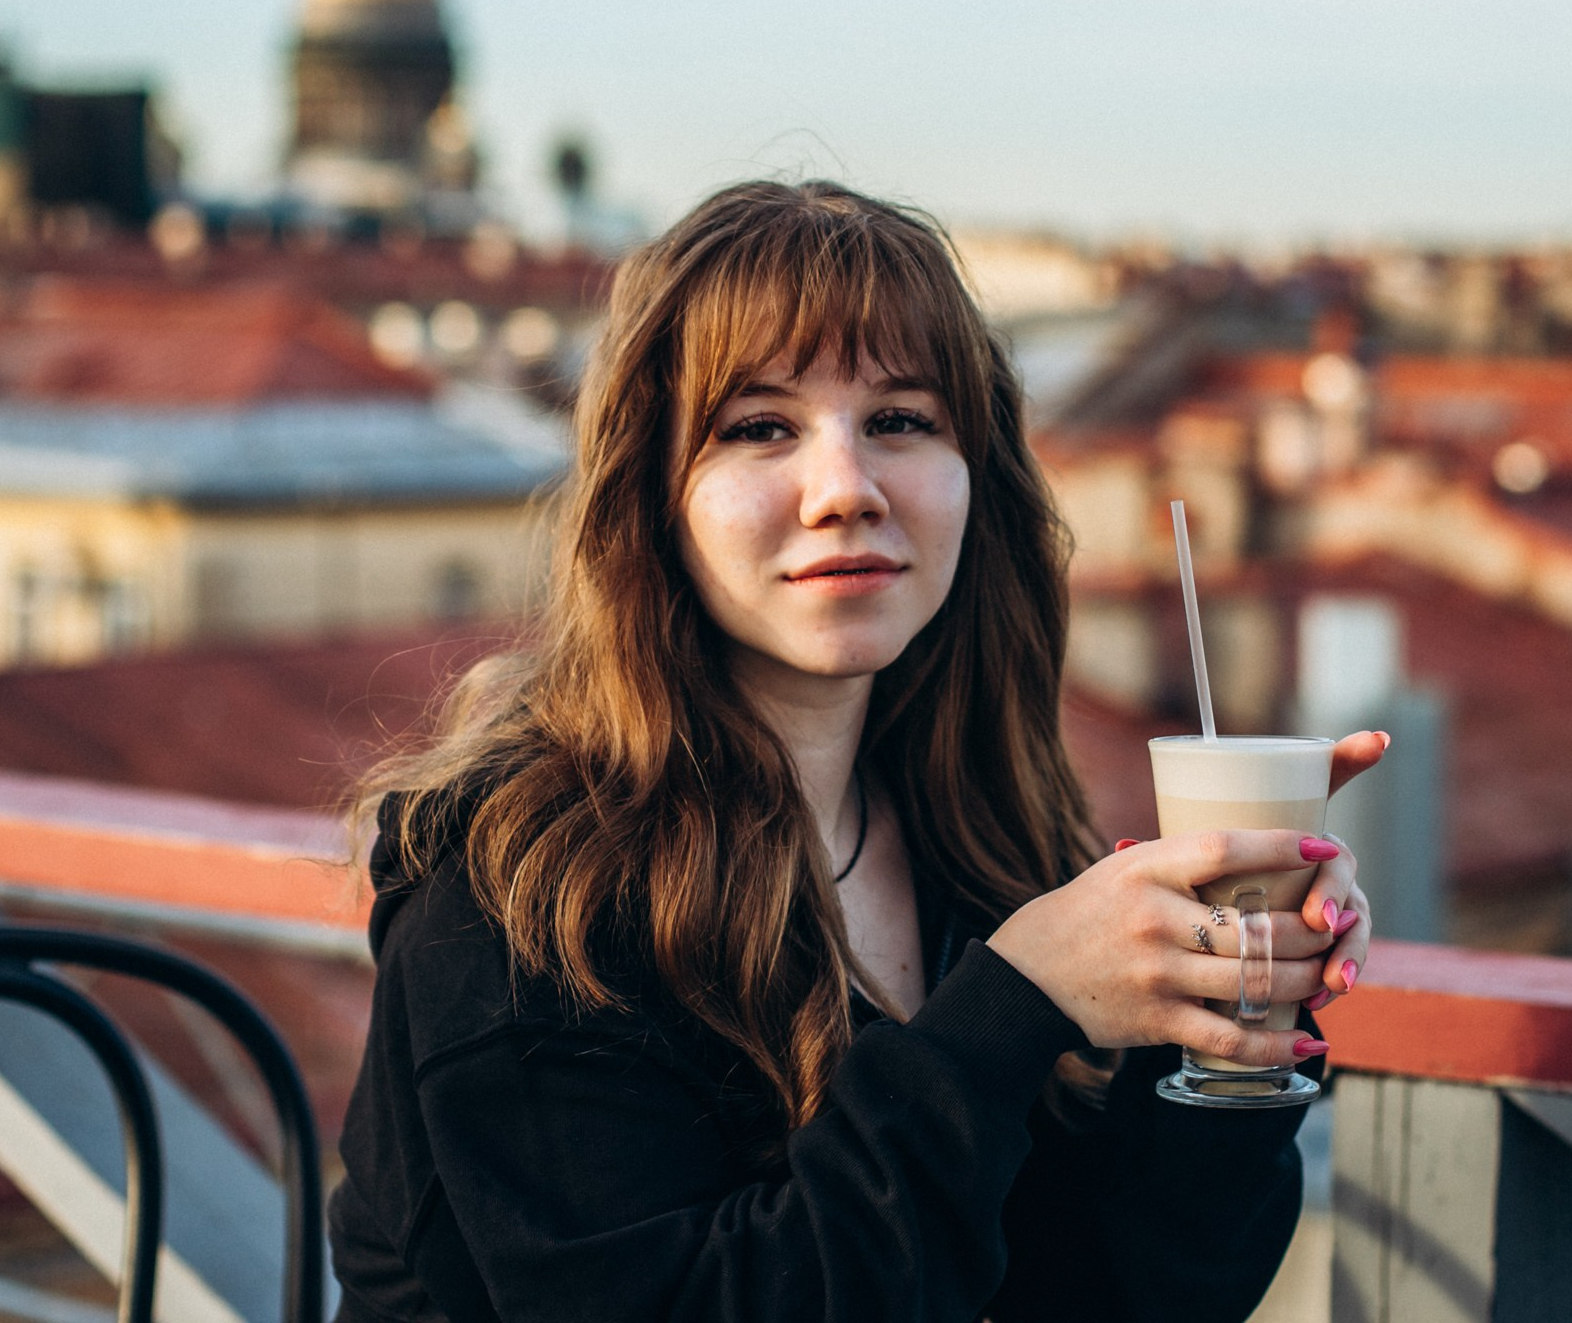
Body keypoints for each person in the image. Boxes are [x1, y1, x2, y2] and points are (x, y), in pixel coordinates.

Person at [330, 180, 1382, 1323]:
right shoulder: (521, 890)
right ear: (652, 494)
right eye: (759, 428)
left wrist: (1234, 1029)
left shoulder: (978, 837)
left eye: (900, 420)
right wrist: (1014, 1004)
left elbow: (1119, 1293)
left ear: (978, 481)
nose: (845, 489)